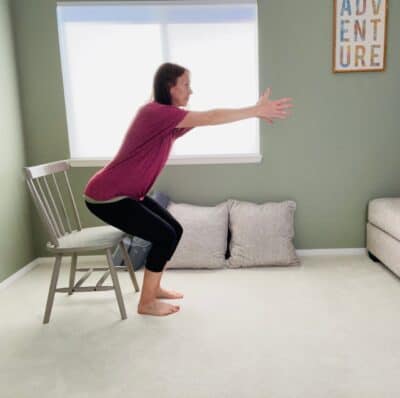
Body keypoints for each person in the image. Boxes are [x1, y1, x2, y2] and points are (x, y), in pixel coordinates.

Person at [84, 62, 293, 317]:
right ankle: (146, 303)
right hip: (107, 196)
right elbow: (210, 116)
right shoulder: (155, 113)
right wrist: (254, 110)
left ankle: (154, 288)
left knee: (175, 230)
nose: (190, 91)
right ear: (169, 88)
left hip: (126, 194)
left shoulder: (165, 119)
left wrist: (251, 111)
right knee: (164, 235)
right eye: (185, 85)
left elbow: (206, 119)